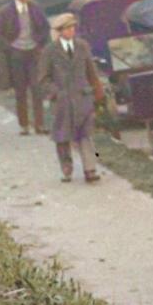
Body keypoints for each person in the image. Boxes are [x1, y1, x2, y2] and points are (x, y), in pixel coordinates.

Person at [36, 10, 108, 182]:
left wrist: (97, 92)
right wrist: (56, 93)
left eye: (73, 28)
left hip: (82, 98)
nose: (71, 31)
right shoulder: (50, 51)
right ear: (59, 31)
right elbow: (43, 79)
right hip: (62, 101)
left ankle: (90, 169)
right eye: (67, 29)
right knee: (62, 136)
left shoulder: (82, 46)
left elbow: (91, 71)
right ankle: (66, 168)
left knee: (85, 134)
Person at [0, 0, 52, 134]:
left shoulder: (36, 9)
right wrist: (10, 48)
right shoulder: (5, 11)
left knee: (37, 89)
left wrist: (39, 44)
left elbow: (45, 28)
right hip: (16, 56)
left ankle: (39, 124)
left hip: (33, 54)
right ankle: (24, 125)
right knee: (20, 91)